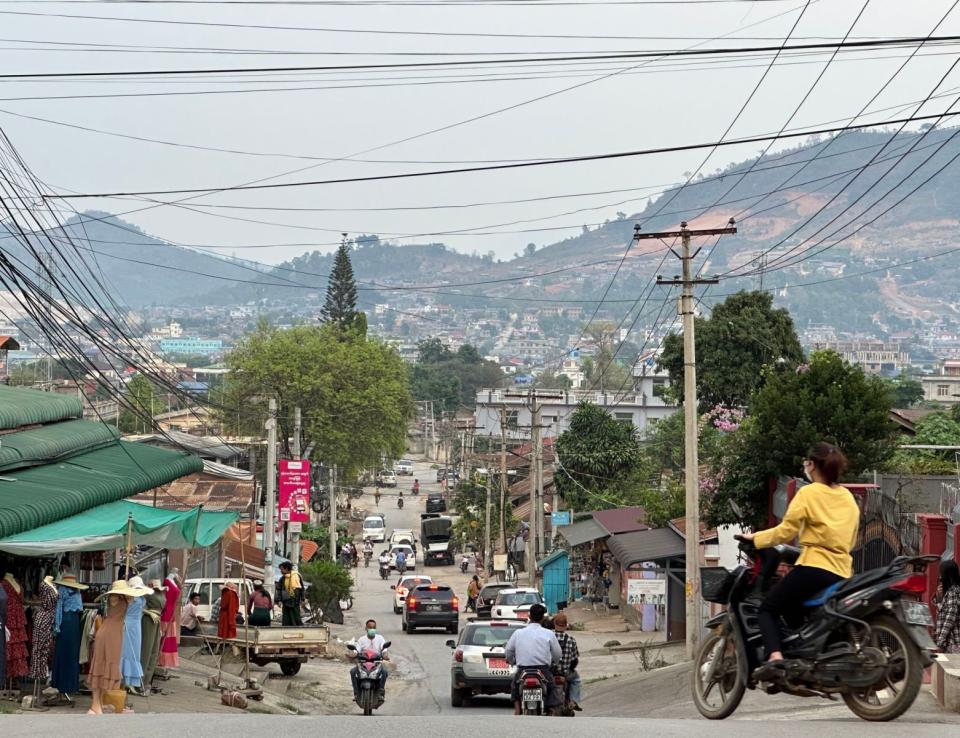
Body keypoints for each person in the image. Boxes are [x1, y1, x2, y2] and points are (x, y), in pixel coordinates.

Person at [740, 443, 859, 681]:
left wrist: (756, 538)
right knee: (797, 608)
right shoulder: (847, 497)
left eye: (807, 462)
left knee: (768, 608)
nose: (805, 466)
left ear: (812, 465)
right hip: (843, 571)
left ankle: (776, 658)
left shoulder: (808, 492)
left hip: (815, 566)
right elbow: (852, 537)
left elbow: (785, 532)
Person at [504, 603, 562, 715]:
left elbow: (509, 651)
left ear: (529, 616)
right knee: (552, 688)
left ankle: (517, 710)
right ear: (543, 618)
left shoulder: (518, 633)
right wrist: (555, 662)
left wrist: (511, 661)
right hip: (543, 671)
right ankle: (551, 710)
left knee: (514, 686)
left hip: (523, 671)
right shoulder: (549, 634)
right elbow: (557, 654)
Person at [350, 619, 389, 700]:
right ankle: (356, 693)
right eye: (370, 627)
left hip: (376, 663)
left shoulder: (380, 638)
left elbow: (384, 650)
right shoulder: (361, 640)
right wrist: (352, 656)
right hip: (364, 663)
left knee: (385, 672)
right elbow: (356, 651)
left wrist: (385, 655)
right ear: (366, 628)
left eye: (374, 627)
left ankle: (380, 692)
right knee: (353, 671)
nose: (372, 629)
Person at [553, 613, 582, 711]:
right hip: (565, 673)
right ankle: (573, 700)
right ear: (566, 625)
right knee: (576, 679)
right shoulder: (571, 640)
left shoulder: (548, 637)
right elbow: (574, 660)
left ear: (554, 624)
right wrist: (570, 668)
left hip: (550, 672)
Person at [936, 560, 960, 654]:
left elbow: (950, 618)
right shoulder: (950, 591)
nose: (940, 577)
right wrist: (939, 598)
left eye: (942, 575)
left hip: (955, 644)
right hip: (950, 643)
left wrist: (940, 642)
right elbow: (942, 614)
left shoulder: (953, 592)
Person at [277, 562, 304, 626]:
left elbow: (301, 588)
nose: (281, 571)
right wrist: (279, 600)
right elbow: (279, 589)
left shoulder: (296, 576)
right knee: (286, 619)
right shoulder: (282, 578)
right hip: (286, 601)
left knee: (296, 618)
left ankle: (298, 631)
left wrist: (303, 599)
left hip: (295, 601)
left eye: (282, 569)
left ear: (286, 569)